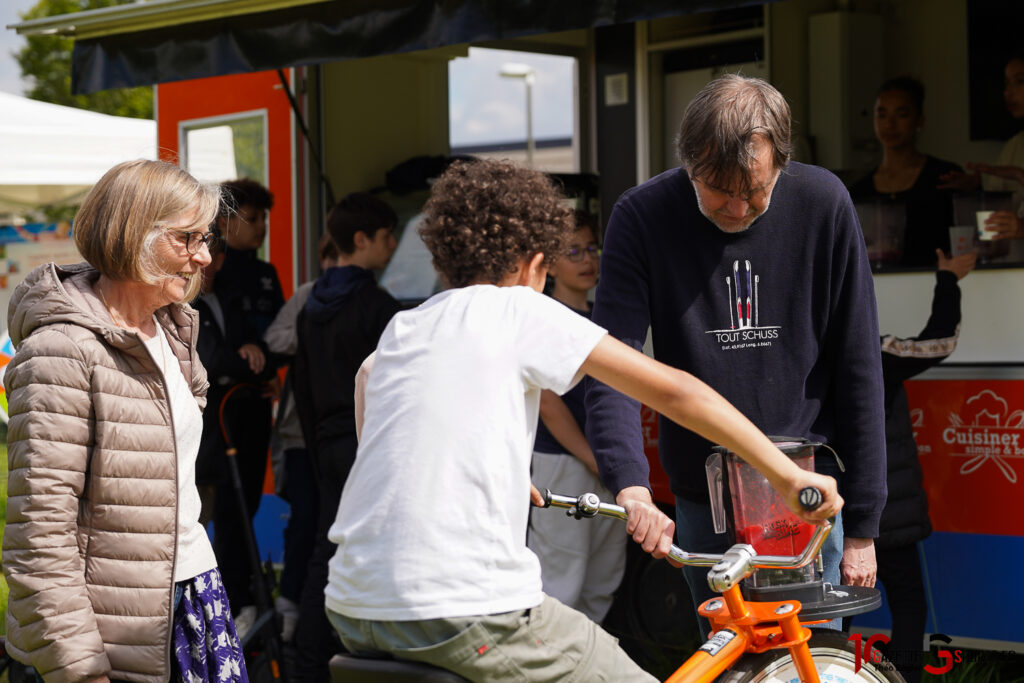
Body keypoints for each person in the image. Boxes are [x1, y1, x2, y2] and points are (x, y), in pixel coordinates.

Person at [323, 159, 842, 682]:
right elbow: (677, 392)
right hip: (465, 608)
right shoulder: (518, 309)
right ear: (535, 263)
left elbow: (368, 381)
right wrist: (787, 474)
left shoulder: (405, 326)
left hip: (353, 602)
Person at [584, 74, 887, 637]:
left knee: (809, 661)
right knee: (730, 659)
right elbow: (611, 362)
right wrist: (630, 483)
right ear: (689, 161)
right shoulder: (643, 215)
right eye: (719, 189)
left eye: (756, 189)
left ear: (782, 163)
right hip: (705, 497)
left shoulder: (823, 203)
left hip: (808, 497)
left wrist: (864, 527)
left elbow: (859, 365)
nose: (739, 206)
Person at [2, 159, 248, 682]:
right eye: (187, 239)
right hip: (109, 634)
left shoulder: (172, 335)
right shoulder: (60, 353)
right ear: (133, 234)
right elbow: (39, 535)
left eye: (205, 239)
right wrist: (79, 667)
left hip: (189, 596)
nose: (202, 257)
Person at [846, 248, 975, 683]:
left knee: (837, 608)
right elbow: (942, 339)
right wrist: (948, 278)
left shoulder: (803, 360)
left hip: (830, 510)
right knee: (908, 603)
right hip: (885, 509)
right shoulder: (877, 354)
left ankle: (827, 674)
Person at [291, 192, 401, 680]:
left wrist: (318, 444)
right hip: (367, 443)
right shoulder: (379, 307)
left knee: (325, 550)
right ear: (362, 240)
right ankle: (364, 658)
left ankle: (308, 663)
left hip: (326, 442)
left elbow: (302, 386)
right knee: (371, 549)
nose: (394, 245)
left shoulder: (309, 306)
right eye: (387, 236)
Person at [527, 211, 625, 624]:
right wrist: (591, 456)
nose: (587, 260)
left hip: (605, 464)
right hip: (562, 464)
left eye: (591, 249)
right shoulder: (542, 316)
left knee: (604, 577)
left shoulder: (606, 315)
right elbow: (547, 403)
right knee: (560, 579)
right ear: (547, 263)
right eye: (573, 252)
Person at [211, 178, 285, 635]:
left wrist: (262, 356)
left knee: (251, 500)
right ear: (225, 221)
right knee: (227, 504)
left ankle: (248, 596)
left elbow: (278, 336)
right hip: (222, 408)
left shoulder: (266, 273)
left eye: (264, 220)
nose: (261, 229)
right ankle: (232, 596)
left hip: (258, 402)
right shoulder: (213, 273)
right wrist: (243, 358)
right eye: (252, 219)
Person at [262, 232, 342, 643]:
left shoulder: (369, 298)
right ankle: (291, 605)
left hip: (339, 427)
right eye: (328, 259)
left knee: (328, 522)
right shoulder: (310, 295)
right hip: (301, 432)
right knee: (306, 520)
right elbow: (275, 339)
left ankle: (314, 609)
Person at [194, 233, 275, 528]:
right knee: (195, 524)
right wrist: (243, 360)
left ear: (218, 261)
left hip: (235, 426)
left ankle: (236, 576)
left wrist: (255, 351)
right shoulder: (181, 304)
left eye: (204, 254)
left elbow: (259, 347)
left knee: (233, 517)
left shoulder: (230, 297)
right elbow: (210, 361)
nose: (194, 262)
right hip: (202, 435)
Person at [848, 76, 962, 267]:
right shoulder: (860, 191)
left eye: (901, 115)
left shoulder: (945, 177)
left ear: (919, 120)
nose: (889, 124)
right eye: (882, 114)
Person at [939, 51, 1024, 240]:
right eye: (1006, 84)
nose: (1008, 92)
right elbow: (1000, 195)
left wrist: (1019, 174)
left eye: (1019, 81)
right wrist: (977, 184)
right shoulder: (1015, 144)